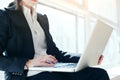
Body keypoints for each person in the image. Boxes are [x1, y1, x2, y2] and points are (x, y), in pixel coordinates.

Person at [0, 0, 110, 80]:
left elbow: (56, 53)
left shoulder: (42, 19)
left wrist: (86, 58)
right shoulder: (5, 16)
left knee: (99, 74)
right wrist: (29, 63)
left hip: (52, 69)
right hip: (26, 74)